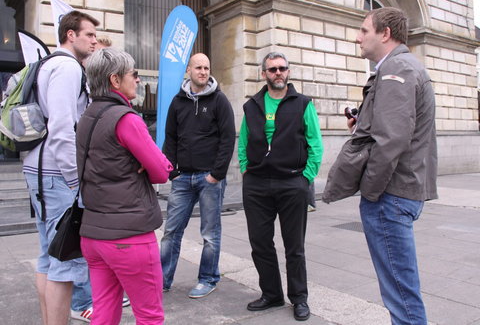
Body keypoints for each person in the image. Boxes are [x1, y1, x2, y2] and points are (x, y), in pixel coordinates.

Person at [323, 7, 437, 325]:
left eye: (364, 30)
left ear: (384, 34)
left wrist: (370, 191)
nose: (358, 37)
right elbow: (395, 127)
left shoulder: (395, 70)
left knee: (401, 294)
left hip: (391, 195)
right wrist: (362, 121)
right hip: (398, 192)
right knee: (400, 288)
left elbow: (391, 141)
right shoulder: (401, 67)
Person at [78, 47, 172, 324]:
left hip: (93, 234)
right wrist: (148, 163)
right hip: (129, 236)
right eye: (134, 74)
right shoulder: (126, 119)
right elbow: (161, 172)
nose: (139, 80)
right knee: (149, 316)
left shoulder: (87, 116)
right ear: (115, 81)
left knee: (104, 312)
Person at [22, 10, 99, 325]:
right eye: (89, 34)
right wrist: (74, 182)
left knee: (47, 258)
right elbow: (63, 128)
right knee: (66, 264)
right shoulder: (68, 68)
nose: (94, 41)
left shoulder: (46, 65)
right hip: (55, 174)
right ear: (71, 35)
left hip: (39, 170)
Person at [238, 52, 323, 322]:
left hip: (291, 183)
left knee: (294, 246)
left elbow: (315, 144)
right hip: (257, 184)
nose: (278, 73)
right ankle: (271, 294)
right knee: (260, 243)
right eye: (272, 69)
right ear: (264, 73)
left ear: (288, 72)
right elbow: (243, 141)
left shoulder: (302, 104)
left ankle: (299, 298)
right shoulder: (252, 105)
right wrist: (244, 169)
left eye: (282, 68)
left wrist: (305, 178)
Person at [160, 53, 235, 298]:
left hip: (209, 179)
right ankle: (162, 279)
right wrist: (172, 172)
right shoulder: (177, 102)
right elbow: (169, 137)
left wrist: (216, 174)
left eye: (206, 68)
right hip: (182, 179)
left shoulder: (219, 101)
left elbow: (227, 139)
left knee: (210, 233)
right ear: (189, 70)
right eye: (198, 67)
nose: (203, 72)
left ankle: (208, 278)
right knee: (171, 231)